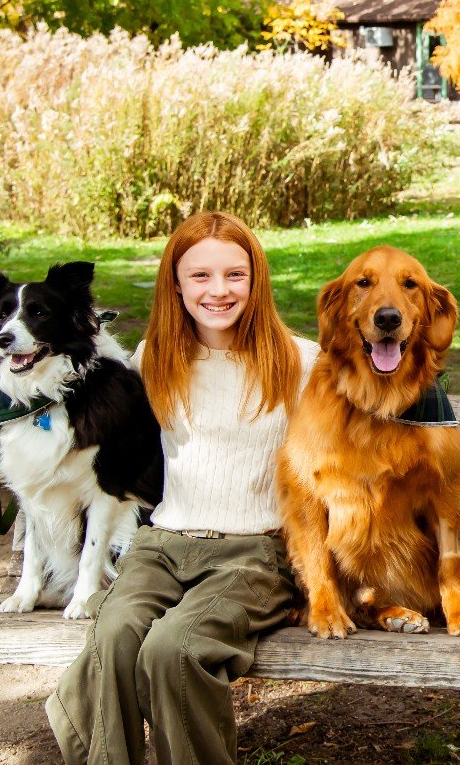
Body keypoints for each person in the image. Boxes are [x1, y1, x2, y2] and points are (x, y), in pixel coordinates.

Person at [45, 211, 319, 764]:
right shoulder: (156, 358)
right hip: (164, 546)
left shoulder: (300, 360)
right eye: (200, 276)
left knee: (174, 648)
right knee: (115, 636)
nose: (218, 290)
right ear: (175, 282)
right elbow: (93, 412)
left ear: (256, 279)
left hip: (256, 552)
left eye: (234, 275)